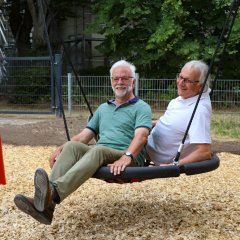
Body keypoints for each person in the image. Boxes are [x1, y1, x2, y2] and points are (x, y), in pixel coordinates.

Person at [14, 60, 152, 225]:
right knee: (73, 146)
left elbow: (142, 136)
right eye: (116, 79)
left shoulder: (141, 107)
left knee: (98, 150)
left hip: (127, 158)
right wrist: (60, 149)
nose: (120, 82)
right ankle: (47, 207)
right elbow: (83, 137)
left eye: (124, 78)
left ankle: (54, 192)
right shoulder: (103, 109)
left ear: (133, 81)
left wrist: (127, 156)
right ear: (111, 81)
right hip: (102, 153)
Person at [147, 60, 212, 166]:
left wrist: (174, 165)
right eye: (180, 77)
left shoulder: (199, 110)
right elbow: (173, 124)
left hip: (149, 155)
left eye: (188, 81)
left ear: (200, 86)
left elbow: (204, 152)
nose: (180, 83)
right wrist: (148, 123)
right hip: (147, 145)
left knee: (114, 147)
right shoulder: (185, 97)